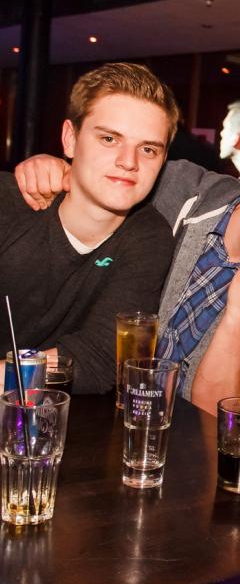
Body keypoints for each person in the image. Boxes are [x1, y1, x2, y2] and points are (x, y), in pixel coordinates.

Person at [15, 141, 240, 401]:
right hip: (82, 397)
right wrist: (56, 169)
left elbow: (217, 413)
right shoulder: (179, 188)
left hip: (179, 445)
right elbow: (99, 182)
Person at [0, 62, 177, 394]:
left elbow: (98, 358)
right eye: (109, 138)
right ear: (70, 139)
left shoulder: (149, 236)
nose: (129, 162)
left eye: (148, 149)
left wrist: (11, 379)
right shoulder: (8, 202)